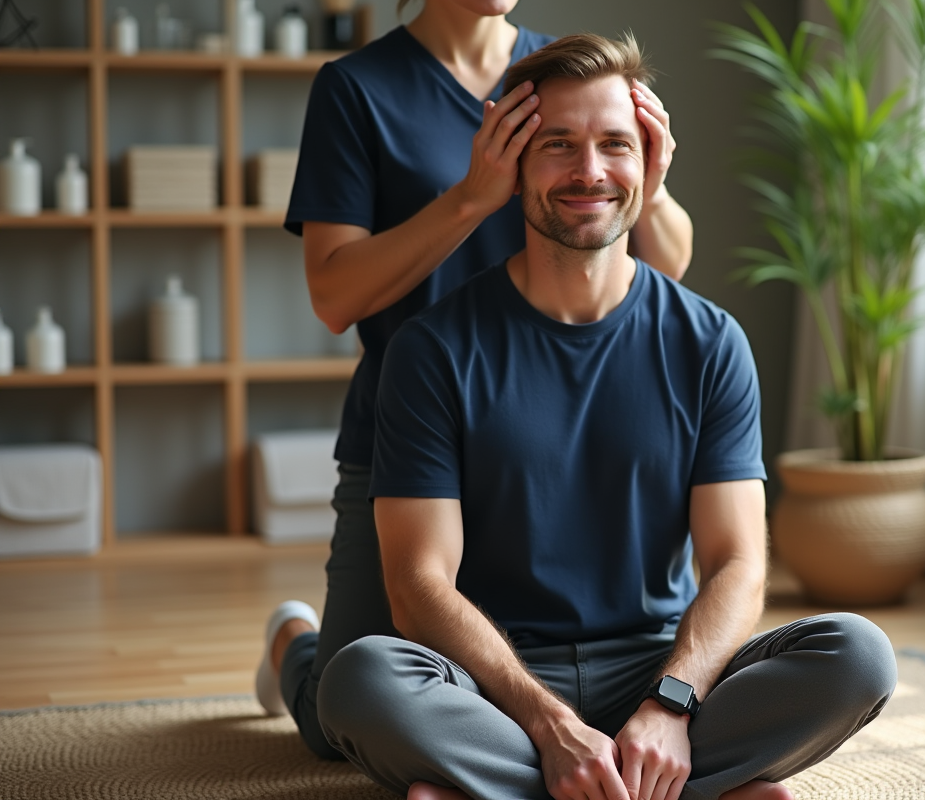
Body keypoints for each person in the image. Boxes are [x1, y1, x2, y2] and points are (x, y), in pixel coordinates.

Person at [314, 33, 898, 800]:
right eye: (558, 145)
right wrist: (548, 724)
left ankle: (542, 782)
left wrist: (671, 704)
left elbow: (737, 563)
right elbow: (420, 583)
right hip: (497, 679)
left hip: (655, 666)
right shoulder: (431, 349)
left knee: (859, 656)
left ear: (649, 165)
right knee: (359, 679)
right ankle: (659, 784)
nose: (590, 171)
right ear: (511, 162)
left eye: (614, 145)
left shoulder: (710, 343)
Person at [254, 0, 694, 760]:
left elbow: (670, 263)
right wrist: (471, 198)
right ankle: (294, 644)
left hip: (548, 434)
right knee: (344, 718)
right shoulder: (357, 89)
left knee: (520, 675)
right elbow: (334, 296)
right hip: (412, 437)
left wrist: (645, 180)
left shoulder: (570, 73)